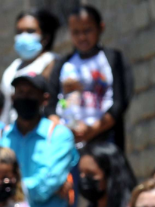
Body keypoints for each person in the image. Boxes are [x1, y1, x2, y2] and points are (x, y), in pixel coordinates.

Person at [0, 72, 79, 207]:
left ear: (44, 99)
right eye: (20, 92)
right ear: (12, 98)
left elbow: (45, 185)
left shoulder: (59, 135)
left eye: (31, 93)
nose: (25, 97)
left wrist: (3, 187)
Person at [46, 5, 133, 151]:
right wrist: (64, 129)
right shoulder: (63, 65)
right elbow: (50, 105)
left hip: (105, 140)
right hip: (69, 143)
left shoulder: (112, 59)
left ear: (101, 27)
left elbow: (120, 102)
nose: (82, 37)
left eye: (87, 30)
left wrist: (93, 130)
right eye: (76, 32)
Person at [0, 9, 60, 126]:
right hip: (13, 132)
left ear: (45, 38)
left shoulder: (53, 62)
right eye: (19, 32)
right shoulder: (13, 67)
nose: (23, 36)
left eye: (30, 31)